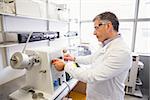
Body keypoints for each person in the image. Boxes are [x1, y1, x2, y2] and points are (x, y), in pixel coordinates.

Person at [52, 11, 132, 100]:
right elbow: (92, 58)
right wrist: (74, 58)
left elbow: (92, 76)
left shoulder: (121, 51)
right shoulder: (105, 45)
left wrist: (65, 66)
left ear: (108, 26)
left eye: (96, 28)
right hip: (94, 95)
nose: (94, 32)